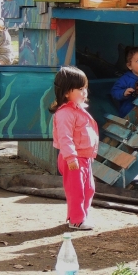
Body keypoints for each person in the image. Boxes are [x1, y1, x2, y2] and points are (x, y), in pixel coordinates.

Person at [50, 66, 98, 231]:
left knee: (88, 189)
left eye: (85, 88)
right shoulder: (65, 113)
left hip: (84, 158)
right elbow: (65, 138)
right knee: (76, 191)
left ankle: (81, 215)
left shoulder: (78, 110)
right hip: (73, 159)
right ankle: (76, 219)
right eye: (79, 88)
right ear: (66, 92)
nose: (84, 92)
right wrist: (71, 158)